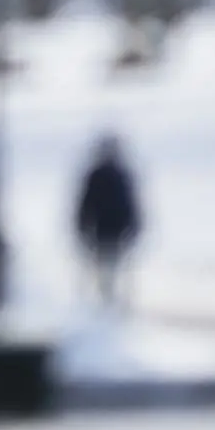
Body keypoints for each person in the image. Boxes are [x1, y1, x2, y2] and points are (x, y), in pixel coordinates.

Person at [74, 130, 145, 304]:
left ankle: (109, 305)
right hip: (104, 234)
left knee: (112, 273)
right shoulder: (105, 175)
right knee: (106, 273)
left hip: (112, 234)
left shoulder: (118, 176)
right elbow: (86, 206)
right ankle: (105, 306)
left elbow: (131, 207)